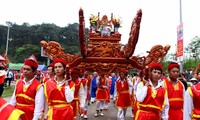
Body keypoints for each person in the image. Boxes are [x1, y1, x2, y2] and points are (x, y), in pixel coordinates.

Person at [9, 54, 44, 120]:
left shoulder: (39, 86)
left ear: (34, 71)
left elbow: (39, 105)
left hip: (30, 115)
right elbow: (13, 101)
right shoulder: (18, 83)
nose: (25, 71)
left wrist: (35, 118)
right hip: (17, 114)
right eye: (24, 69)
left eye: (28, 69)